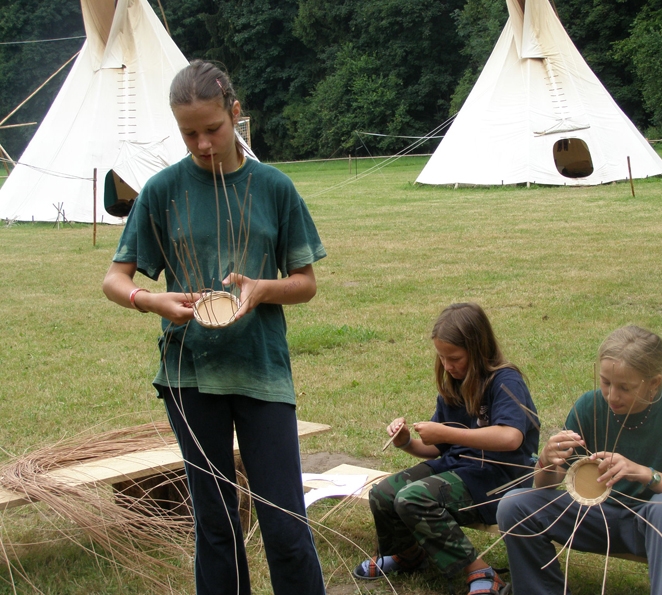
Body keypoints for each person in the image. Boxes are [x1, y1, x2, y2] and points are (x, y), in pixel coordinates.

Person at [102, 60, 327, 595]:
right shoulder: (162, 191)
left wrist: (261, 289)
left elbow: (306, 281)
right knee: (217, 525)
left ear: (235, 113)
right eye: (189, 134)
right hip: (190, 377)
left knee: (285, 522)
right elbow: (115, 278)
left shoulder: (273, 187)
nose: (203, 144)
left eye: (213, 129)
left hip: (261, 371)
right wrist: (151, 300)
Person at [497, 326, 662, 595]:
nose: (612, 396)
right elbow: (543, 489)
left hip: (653, 526)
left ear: (654, 383)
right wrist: (546, 462)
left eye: (625, 387)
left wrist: (646, 474)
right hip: (598, 519)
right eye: (606, 383)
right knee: (514, 504)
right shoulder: (589, 406)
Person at [354, 302, 539, 595]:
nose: (448, 366)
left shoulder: (505, 381)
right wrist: (406, 442)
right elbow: (435, 448)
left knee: (413, 498)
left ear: (478, 350)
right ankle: (409, 554)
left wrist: (447, 432)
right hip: (459, 468)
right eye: (442, 357)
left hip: (498, 478)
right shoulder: (455, 384)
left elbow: (511, 438)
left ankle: (479, 570)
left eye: (454, 358)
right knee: (384, 493)